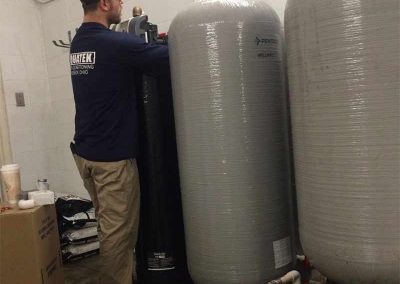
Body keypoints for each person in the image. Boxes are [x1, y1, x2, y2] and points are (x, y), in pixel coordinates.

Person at [69, 0, 169, 283]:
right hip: (111, 161)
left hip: (86, 152)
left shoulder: (79, 42)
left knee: (108, 227)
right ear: (104, 3)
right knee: (119, 237)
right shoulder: (113, 43)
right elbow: (167, 58)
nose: (122, 2)